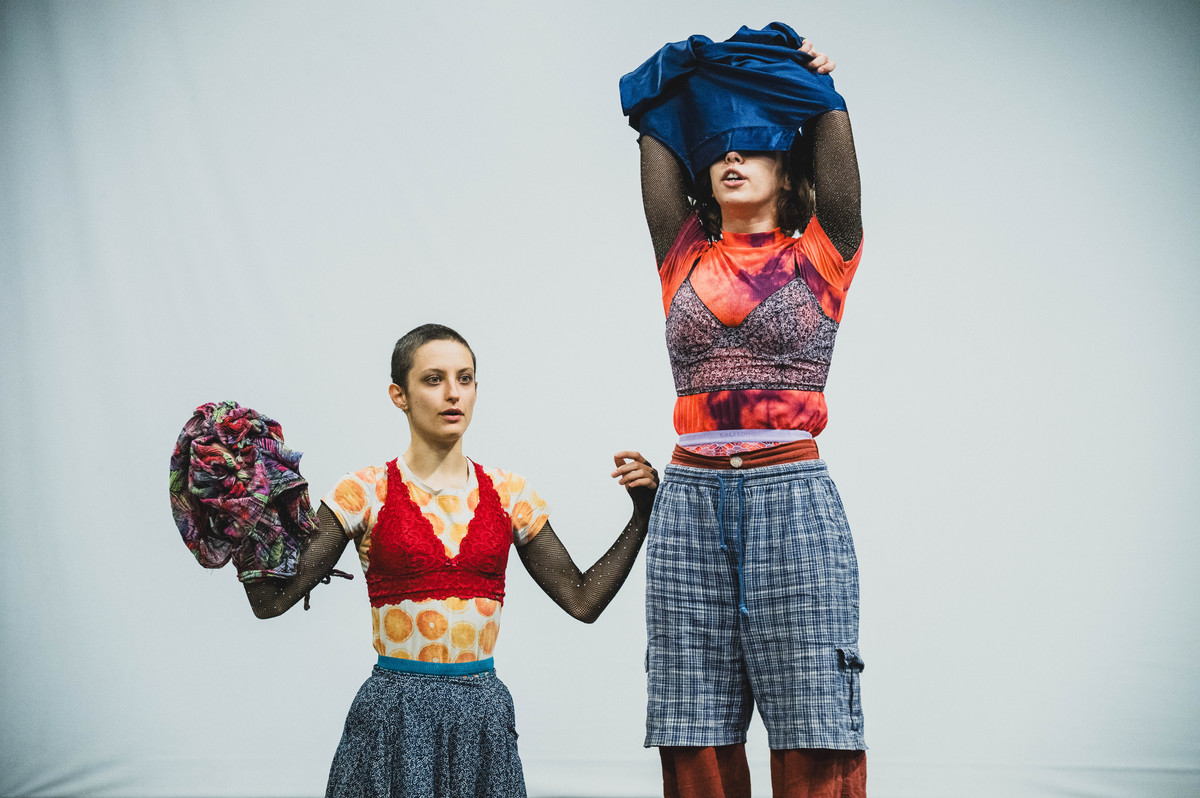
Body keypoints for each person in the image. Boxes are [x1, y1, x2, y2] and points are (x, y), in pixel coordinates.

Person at [240, 323, 658, 798]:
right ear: (399, 395)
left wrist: (642, 516)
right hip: (393, 718)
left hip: (481, 719)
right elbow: (271, 602)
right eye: (433, 379)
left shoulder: (510, 493)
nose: (452, 393)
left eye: (464, 378)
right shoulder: (363, 491)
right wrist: (242, 510)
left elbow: (582, 600)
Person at [620, 23, 866, 798]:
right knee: (690, 717)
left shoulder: (823, 254)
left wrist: (816, 88)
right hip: (690, 499)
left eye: (754, 147)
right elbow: (653, 129)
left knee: (814, 716)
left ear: (786, 172)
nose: (733, 157)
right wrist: (688, 76)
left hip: (791, 496)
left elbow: (832, 138)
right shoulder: (683, 256)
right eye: (721, 147)